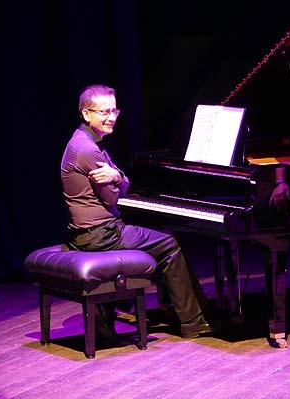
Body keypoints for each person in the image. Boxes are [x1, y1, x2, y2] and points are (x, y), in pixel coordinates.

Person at [61, 84, 212, 341]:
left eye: (114, 111)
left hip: (91, 233)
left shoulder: (85, 141)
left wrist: (117, 176)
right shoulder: (88, 150)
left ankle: (173, 310)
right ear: (86, 114)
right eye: (104, 112)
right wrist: (119, 179)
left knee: (160, 236)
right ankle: (194, 323)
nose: (111, 117)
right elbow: (113, 196)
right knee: (169, 244)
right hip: (101, 235)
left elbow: (121, 183)